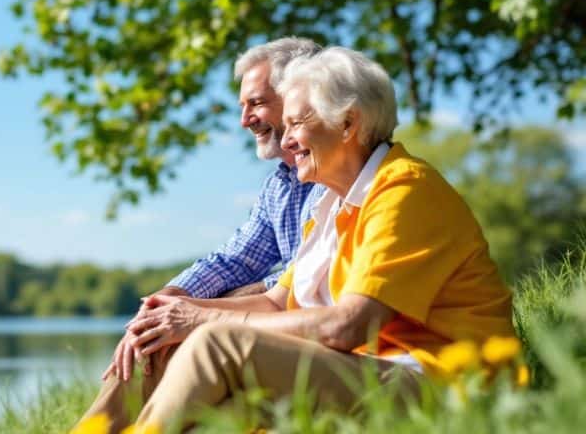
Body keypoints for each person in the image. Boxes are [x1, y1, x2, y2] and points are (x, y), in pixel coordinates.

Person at [102, 47, 515, 432]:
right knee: (182, 362)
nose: (286, 140)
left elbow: (349, 325)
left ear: (348, 123)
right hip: (365, 371)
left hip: (442, 384)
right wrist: (175, 313)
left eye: (298, 123)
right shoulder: (330, 204)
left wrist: (202, 321)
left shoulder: (405, 190)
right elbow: (274, 303)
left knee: (217, 342)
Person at [82, 37, 324, 430]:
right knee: (157, 329)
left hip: (312, 338)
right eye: (243, 106)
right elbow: (234, 259)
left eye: (257, 103)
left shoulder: (339, 180)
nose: (245, 119)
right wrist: (165, 301)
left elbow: (297, 287)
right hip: (278, 329)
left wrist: (193, 314)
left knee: (190, 325)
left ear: (301, 96)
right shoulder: (281, 186)